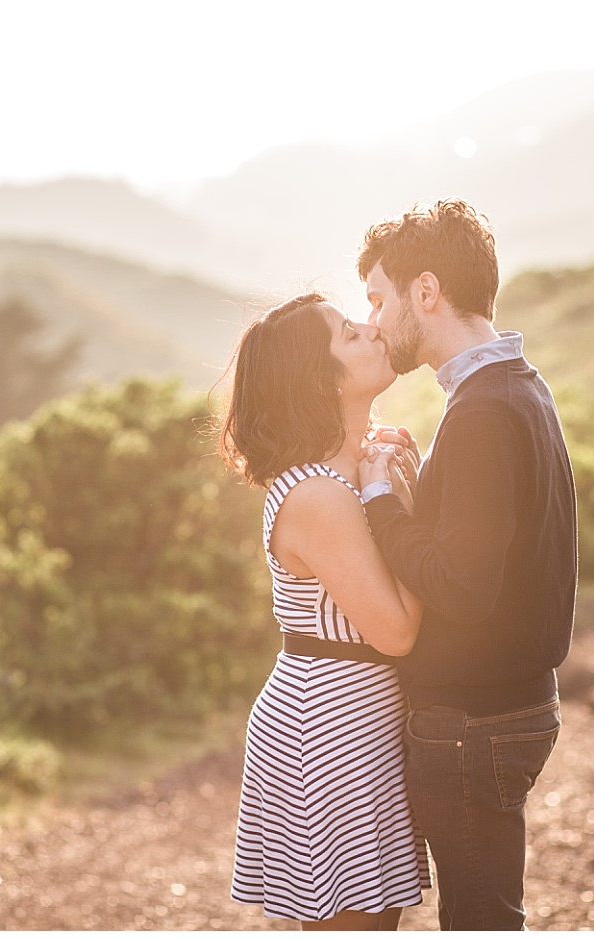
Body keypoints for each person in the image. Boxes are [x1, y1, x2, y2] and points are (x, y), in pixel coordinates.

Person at [354, 200, 578, 930]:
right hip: (510, 706)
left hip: (476, 721)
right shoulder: (519, 386)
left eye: (379, 300)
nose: (377, 322)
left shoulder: (482, 409)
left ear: (426, 292)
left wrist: (380, 498)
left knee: (481, 921)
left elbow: (461, 584)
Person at [215, 292, 431, 930]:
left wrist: (387, 483)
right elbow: (395, 632)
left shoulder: (345, 479)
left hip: (355, 718)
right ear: (322, 379)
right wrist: (403, 504)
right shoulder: (318, 494)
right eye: (348, 333)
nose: (371, 330)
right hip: (331, 729)